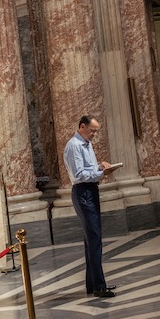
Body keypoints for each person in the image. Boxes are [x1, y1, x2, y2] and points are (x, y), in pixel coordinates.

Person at [63, 115, 120, 298]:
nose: (95, 134)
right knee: (94, 239)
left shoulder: (86, 144)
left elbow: (87, 169)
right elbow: (79, 175)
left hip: (90, 191)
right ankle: (98, 286)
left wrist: (99, 166)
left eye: (96, 131)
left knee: (91, 240)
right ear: (82, 126)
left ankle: (93, 284)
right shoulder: (74, 146)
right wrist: (100, 172)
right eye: (92, 130)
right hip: (83, 193)